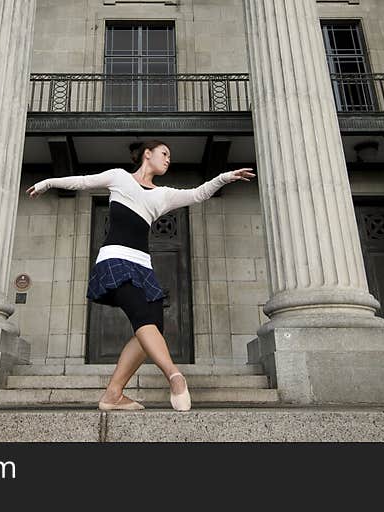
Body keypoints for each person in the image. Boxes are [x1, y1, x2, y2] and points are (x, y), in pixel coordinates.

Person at [26, 140, 255, 411]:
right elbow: (83, 181)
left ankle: (113, 394)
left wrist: (225, 177)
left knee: (154, 327)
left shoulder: (163, 195)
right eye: (164, 153)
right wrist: (48, 182)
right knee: (143, 317)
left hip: (143, 266)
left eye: (170, 156)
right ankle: (175, 376)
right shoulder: (119, 178)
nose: (169, 159)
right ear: (148, 153)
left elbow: (198, 194)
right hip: (114, 260)